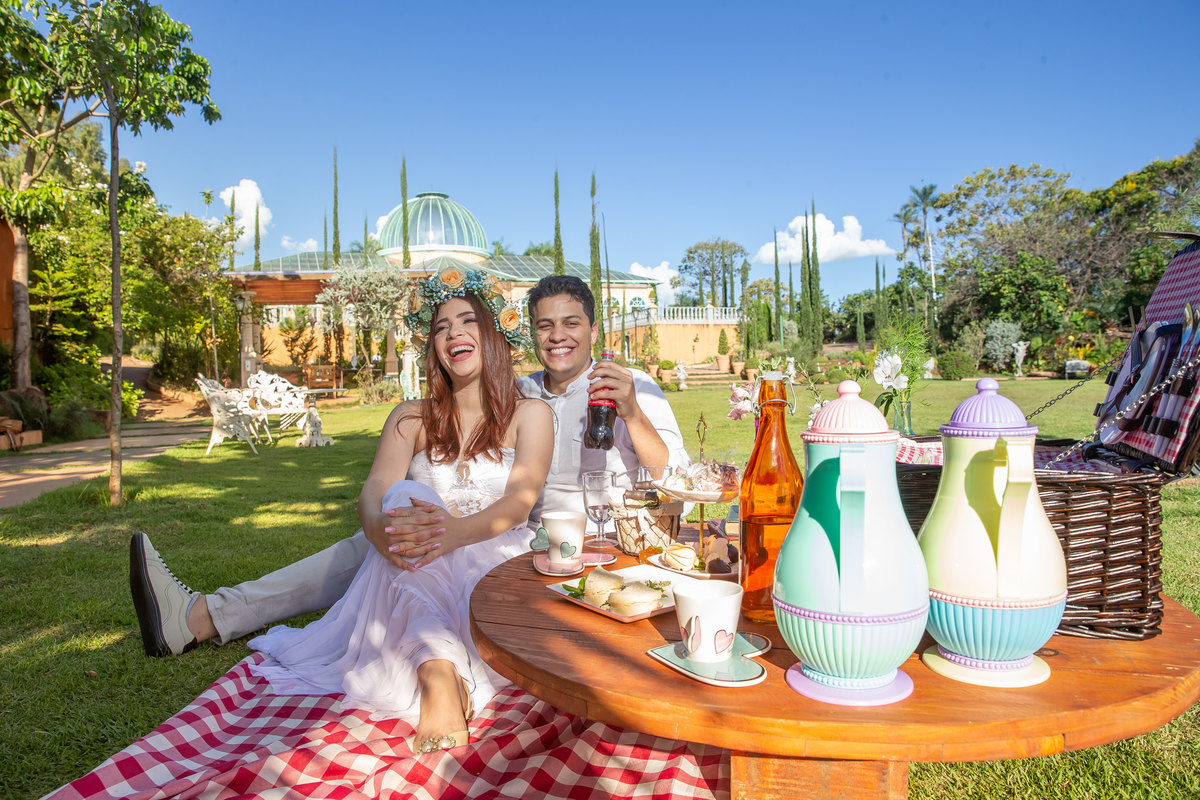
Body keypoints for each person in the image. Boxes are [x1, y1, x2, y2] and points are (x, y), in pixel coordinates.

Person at [130, 274, 687, 664]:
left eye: (572, 323)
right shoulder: (521, 395)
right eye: (545, 326)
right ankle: (203, 616)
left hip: (597, 542)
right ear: (529, 334)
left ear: (594, 329)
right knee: (375, 541)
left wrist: (633, 414)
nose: (558, 335)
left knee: (387, 544)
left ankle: (203, 616)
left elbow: (678, 485)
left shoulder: (629, 385)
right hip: (521, 533)